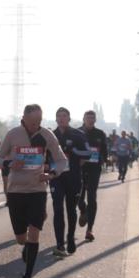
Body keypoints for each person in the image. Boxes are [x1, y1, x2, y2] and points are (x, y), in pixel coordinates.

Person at [0, 104, 68, 278]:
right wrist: (10, 163)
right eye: (33, 122)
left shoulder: (46, 135)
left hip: (37, 190)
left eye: (40, 121)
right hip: (16, 191)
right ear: (24, 118)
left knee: (35, 232)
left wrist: (51, 173)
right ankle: (25, 246)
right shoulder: (13, 134)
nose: (37, 125)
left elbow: (61, 160)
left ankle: (27, 277)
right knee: (21, 237)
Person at [49, 107, 91, 257]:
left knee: (71, 209)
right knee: (58, 209)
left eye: (64, 116)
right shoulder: (51, 135)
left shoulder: (78, 134)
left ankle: (70, 237)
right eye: (58, 116)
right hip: (56, 177)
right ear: (55, 119)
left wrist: (73, 152)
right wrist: (46, 166)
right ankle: (60, 244)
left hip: (73, 177)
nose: (61, 118)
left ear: (69, 118)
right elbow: (43, 155)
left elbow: (88, 153)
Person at [77, 110, 108, 243]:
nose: (90, 120)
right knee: (77, 197)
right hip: (78, 169)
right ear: (83, 119)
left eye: (92, 118)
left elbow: (105, 153)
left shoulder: (100, 134)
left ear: (95, 120)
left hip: (94, 169)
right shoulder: (76, 133)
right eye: (87, 117)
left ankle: (90, 229)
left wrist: (99, 159)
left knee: (92, 197)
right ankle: (83, 210)